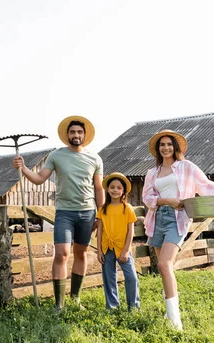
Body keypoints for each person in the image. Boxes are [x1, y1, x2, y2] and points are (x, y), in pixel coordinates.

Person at [142, 129, 214, 330]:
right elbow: (147, 197)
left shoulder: (186, 167)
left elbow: (205, 184)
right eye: (162, 145)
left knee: (164, 264)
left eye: (169, 144)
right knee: (165, 269)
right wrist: (165, 200)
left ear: (175, 147)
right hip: (157, 218)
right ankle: (168, 311)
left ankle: (175, 320)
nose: (166, 148)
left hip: (177, 218)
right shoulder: (152, 173)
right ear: (157, 149)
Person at [13, 115, 104, 311]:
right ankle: (59, 304)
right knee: (62, 254)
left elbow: (98, 188)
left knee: (82, 253)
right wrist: (24, 168)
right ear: (67, 135)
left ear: (85, 135)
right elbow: (39, 179)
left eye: (79, 132)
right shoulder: (56, 155)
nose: (76, 135)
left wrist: (100, 215)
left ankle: (75, 299)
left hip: (87, 213)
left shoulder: (95, 158)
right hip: (64, 213)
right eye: (72, 132)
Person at [96, 172, 140, 311]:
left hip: (123, 248)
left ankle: (133, 307)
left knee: (131, 277)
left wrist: (126, 251)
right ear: (108, 189)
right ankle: (112, 306)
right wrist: (99, 250)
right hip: (106, 248)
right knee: (109, 278)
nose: (115, 190)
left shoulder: (127, 209)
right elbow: (100, 231)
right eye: (112, 187)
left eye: (119, 188)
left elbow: (131, 231)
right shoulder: (103, 209)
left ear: (123, 191)